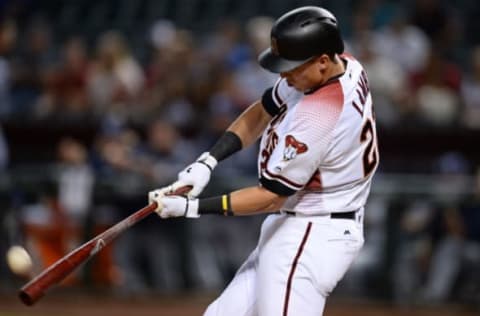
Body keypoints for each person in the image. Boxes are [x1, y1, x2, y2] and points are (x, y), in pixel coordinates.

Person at [149, 6, 379, 316]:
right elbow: (262, 110)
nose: (283, 74)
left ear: (323, 61)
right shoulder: (345, 65)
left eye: (292, 67)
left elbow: (271, 196)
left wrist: (192, 207)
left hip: (312, 233)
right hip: (298, 223)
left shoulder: (318, 115)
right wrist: (207, 162)